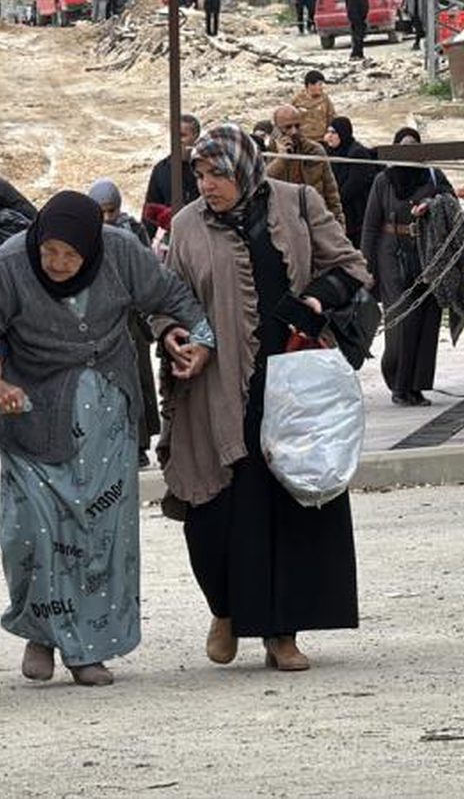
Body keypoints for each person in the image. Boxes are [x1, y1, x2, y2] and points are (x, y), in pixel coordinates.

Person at [0, 191, 212, 687]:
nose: (58, 264)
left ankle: (88, 647)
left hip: (107, 415)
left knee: (99, 534)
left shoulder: (122, 251)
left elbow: (171, 298)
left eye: (71, 255)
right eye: (50, 252)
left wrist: (198, 339)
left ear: (91, 250)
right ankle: (39, 633)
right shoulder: (8, 264)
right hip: (32, 413)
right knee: (29, 533)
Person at [159, 124, 372, 671]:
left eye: (218, 174)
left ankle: (283, 633)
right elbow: (166, 299)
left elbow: (350, 268)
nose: (207, 185)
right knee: (216, 513)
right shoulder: (186, 226)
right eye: (200, 175)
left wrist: (316, 302)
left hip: (293, 386)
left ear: (246, 170)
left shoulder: (295, 204)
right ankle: (225, 609)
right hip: (217, 387)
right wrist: (175, 337)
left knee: (289, 509)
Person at [361, 127, 454, 407]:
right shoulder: (384, 180)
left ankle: (417, 386)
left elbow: (450, 201)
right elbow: (370, 224)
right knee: (401, 319)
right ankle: (399, 385)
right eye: (404, 146)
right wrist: (365, 266)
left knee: (427, 319)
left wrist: (432, 203)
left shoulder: (433, 176)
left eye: (414, 146)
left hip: (427, 252)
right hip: (393, 253)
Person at [89, 178, 161, 468]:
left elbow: (148, 272)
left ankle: (139, 444)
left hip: (130, 320)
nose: (107, 218)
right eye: (101, 211)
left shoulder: (132, 230)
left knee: (138, 379)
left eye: (112, 211)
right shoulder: (84, 234)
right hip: (98, 322)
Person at [267, 104, 347, 228]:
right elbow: (262, 183)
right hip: (284, 225)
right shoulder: (268, 154)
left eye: (297, 126)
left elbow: (331, 192)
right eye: (288, 127)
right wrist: (281, 160)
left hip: (314, 220)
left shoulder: (314, 151)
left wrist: (339, 225)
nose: (294, 131)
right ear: (276, 130)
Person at [142, 114, 202, 238]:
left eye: (182, 136)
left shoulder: (205, 168)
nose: (177, 140)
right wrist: (145, 242)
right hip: (173, 236)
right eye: (174, 135)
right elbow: (150, 210)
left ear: (196, 137)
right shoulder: (161, 170)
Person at [324, 116, 379, 248]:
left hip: (356, 215)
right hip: (338, 213)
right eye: (328, 132)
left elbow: (353, 187)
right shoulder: (330, 153)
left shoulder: (357, 153)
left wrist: (332, 202)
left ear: (343, 133)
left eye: (333, 133)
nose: (329, 137)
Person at [292, 71, 336, 143]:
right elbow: (290, 120)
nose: (321, 88)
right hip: (303, 140)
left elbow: (332, 118)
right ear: (310, 85)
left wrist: (329, 134)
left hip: (321, 139)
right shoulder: (297, 100)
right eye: (319, 84)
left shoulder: (325, 100)